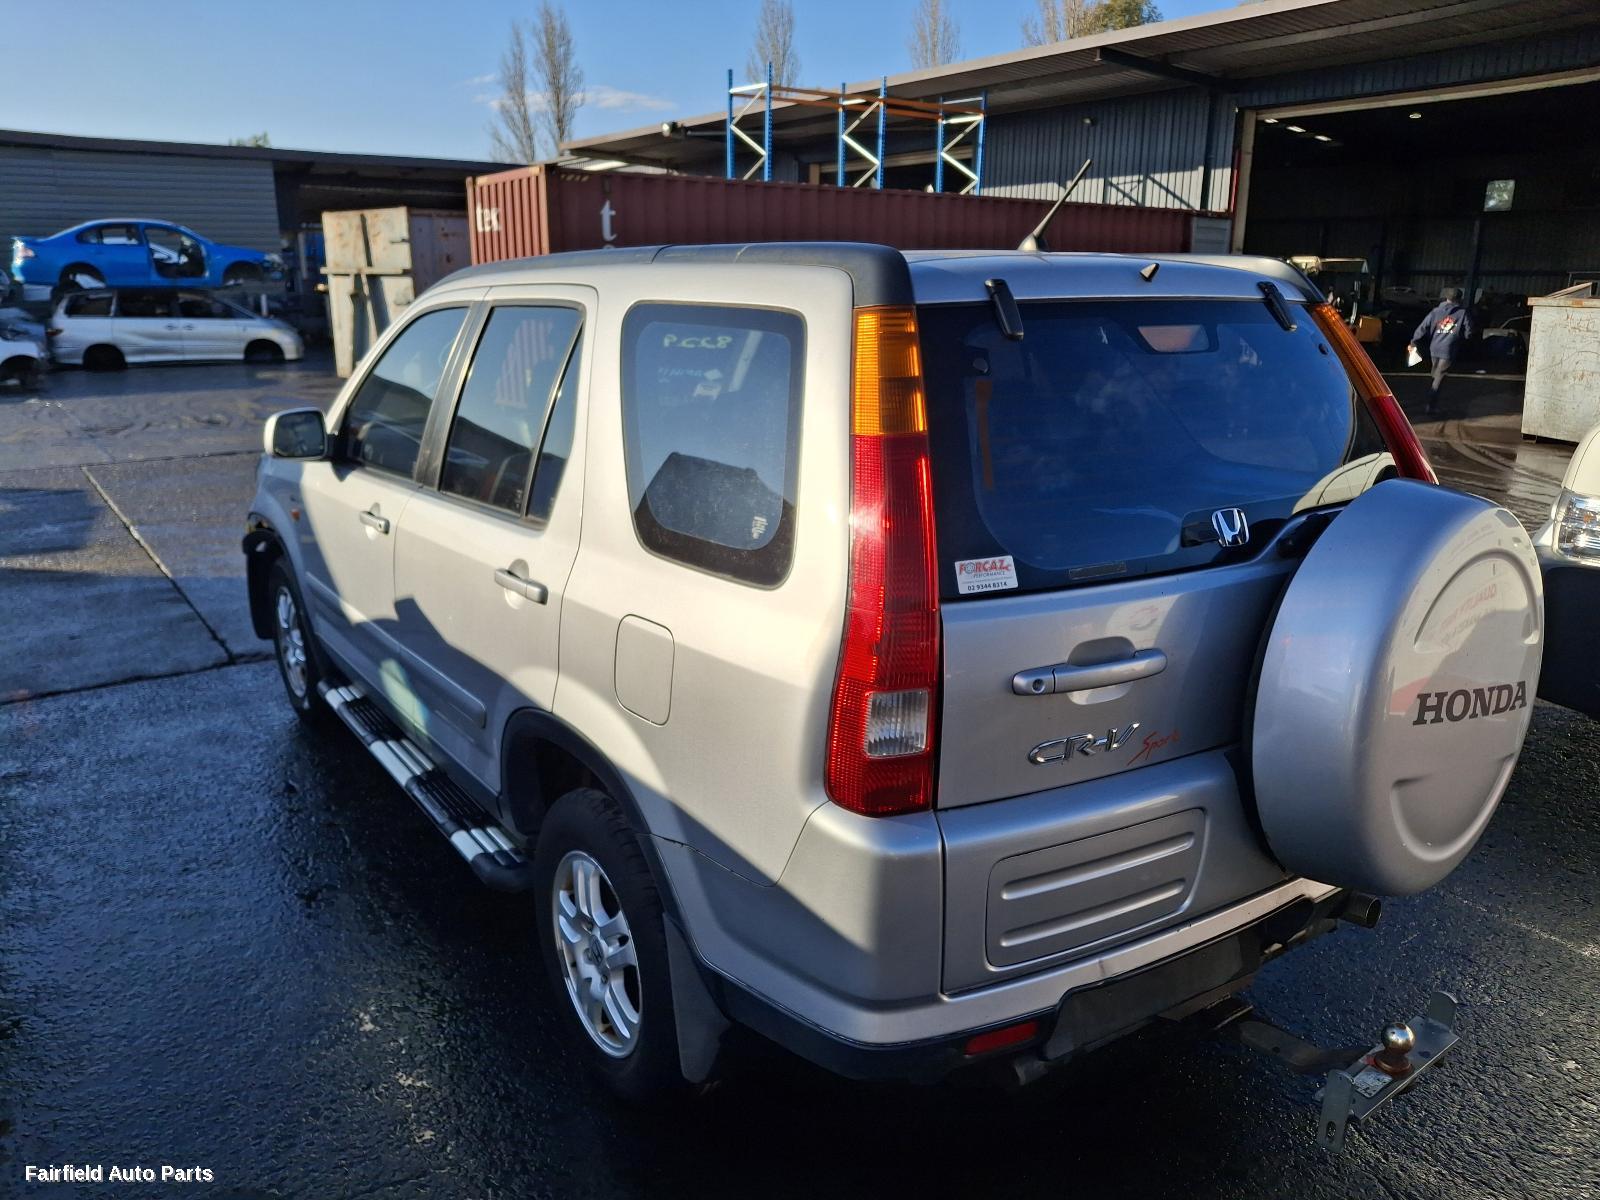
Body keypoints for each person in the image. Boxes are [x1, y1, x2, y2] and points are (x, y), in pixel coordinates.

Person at [1408, 287, 1475, 415]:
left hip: (1434, 347)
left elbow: (1422, 327)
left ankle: (1430, 398)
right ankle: (1431, 406)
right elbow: (1469, 331)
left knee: (1435, 374)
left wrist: (1414, 341)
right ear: (1459, 299)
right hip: (1448, 349)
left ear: (1446, 298)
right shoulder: (1462, 313)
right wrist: (1464, 338)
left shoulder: (1435, 311)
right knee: (1439, 377)